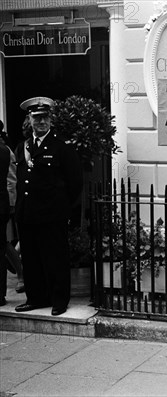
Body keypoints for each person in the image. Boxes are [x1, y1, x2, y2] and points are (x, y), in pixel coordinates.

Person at [13, 97, 83, 316]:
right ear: (29, 120)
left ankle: (59, 300)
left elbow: (75, 183)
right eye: (36, 118)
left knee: (55, 258)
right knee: (32, 259)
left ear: (51, 119)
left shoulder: (61, 147)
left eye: (44, 117)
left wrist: (62, 207)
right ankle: (36, 298)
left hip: (52, 214)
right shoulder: (22, 146)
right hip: (28, 214)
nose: (41, 122)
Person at [0, 120, 17, 306]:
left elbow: (11, 180)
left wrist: (11, 204)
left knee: (4, 244)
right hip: (4, 205)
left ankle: (20, 272)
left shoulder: (6, 152)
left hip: (4, 205)